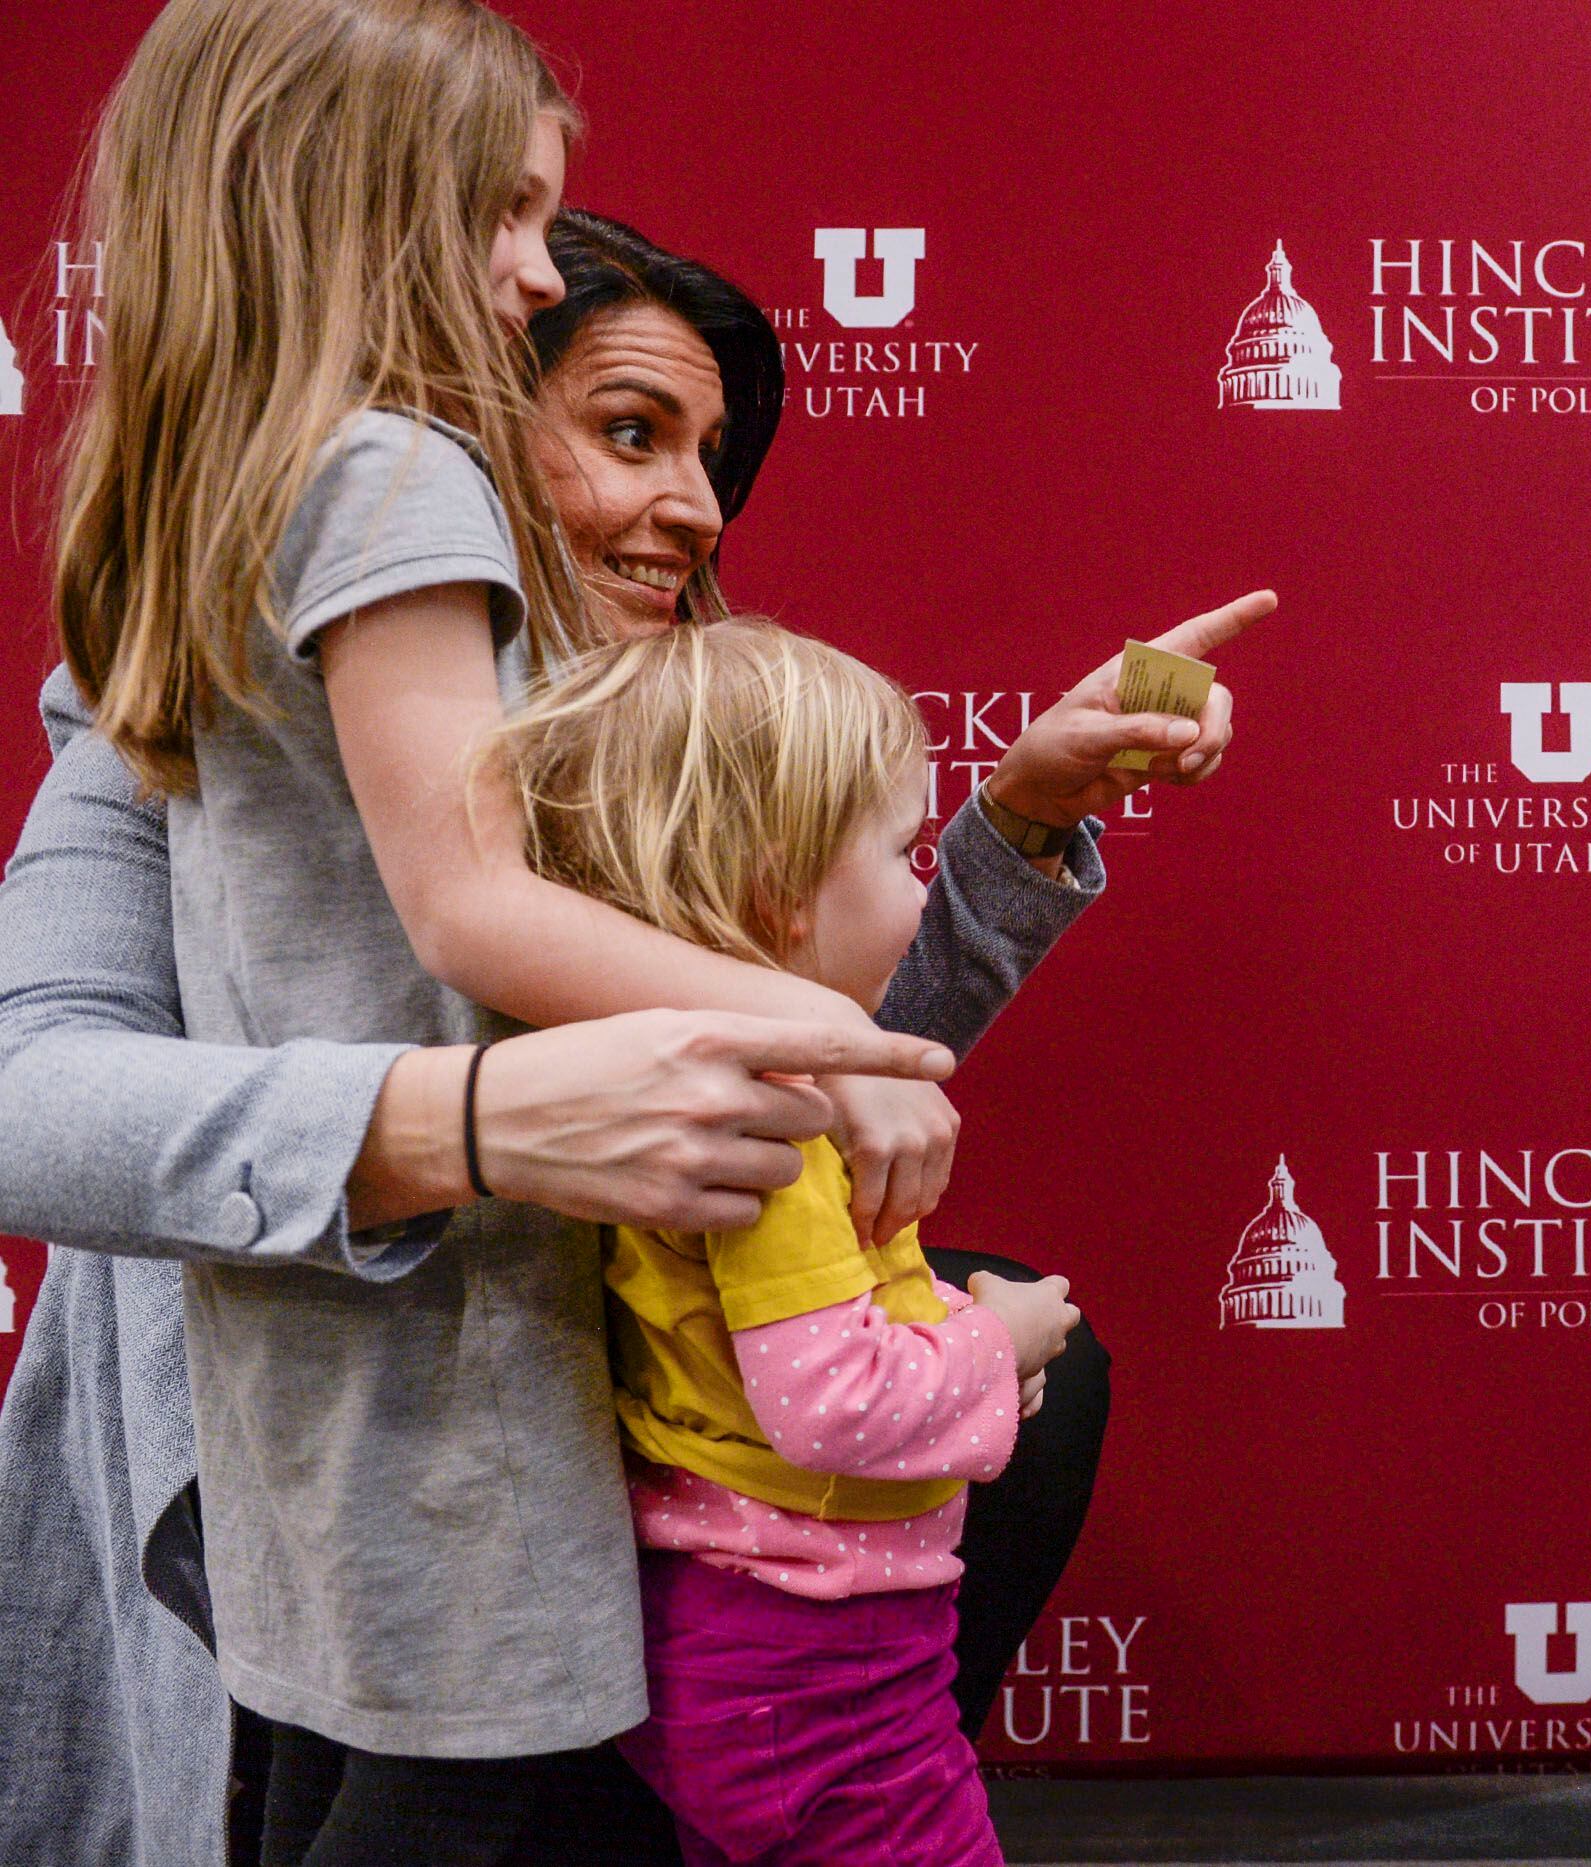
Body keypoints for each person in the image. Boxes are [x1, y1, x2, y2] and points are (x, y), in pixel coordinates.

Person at [0, 14, 1248, 1857]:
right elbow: (36, 1097)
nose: (686, 503)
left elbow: (786, 1065)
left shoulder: (639, 716)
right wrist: (464, 1122)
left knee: (1021, 1396)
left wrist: (1024, 819)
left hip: (595, 1445)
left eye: (709, 460)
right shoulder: (185, 668)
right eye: (625, 429)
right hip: (354, 1450)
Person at [496, 620, 1072, 1864]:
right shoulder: (778, 1123)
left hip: (749, 1648)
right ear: (776, 896)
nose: (927, 893)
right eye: (905, 853)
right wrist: (997, 1337)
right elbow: (829, 1402)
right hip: (819, 1669)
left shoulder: (685, 1094)